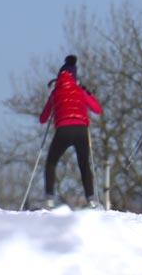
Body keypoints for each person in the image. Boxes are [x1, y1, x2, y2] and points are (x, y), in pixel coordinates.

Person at [39, 55, 103, 209]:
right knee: (84, 164)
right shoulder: (80, 91)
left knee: (51, 162)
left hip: (63, 130)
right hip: (81, 130)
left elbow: (43, 118)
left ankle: (49, 200)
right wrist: (89, 94)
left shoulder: (55, 92)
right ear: (75, 76)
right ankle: (91, 200)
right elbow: (97, 109)